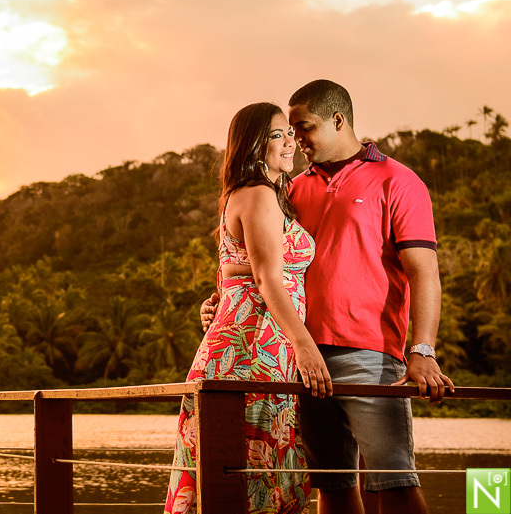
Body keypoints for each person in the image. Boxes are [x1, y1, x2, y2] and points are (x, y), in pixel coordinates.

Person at [200, 80, 453, 514]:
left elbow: (424, 272)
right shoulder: (291, 188)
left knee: (393, 479)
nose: (297, 140)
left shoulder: (398, 180)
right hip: (297, 357)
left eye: (305, 128)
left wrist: (423, 349)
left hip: (369, 354)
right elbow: (264, 263)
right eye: (290, 131)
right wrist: (223, 298)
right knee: (331, 484)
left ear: (338, 121)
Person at [165, 102, 330, 514]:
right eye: (278, 135)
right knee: (248, 476)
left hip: (260, 346)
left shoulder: (265, 195)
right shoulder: (257, 194)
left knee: (252, 473)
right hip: (253, 350)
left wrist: (219, 300)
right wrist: (306, 346)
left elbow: (234, 272)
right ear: (255, 145)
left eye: (290, 133)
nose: (290, 142)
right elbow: (268, 277)